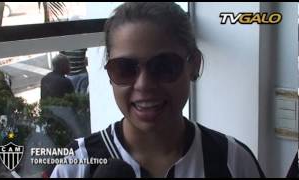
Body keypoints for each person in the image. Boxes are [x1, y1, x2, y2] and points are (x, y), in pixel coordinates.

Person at [50, 2, 265, 178]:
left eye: (164, 66)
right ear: (109, 73)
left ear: (194, 65)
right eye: (125, 69)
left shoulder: (233, 161)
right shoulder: (75, 166)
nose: (144, 84)